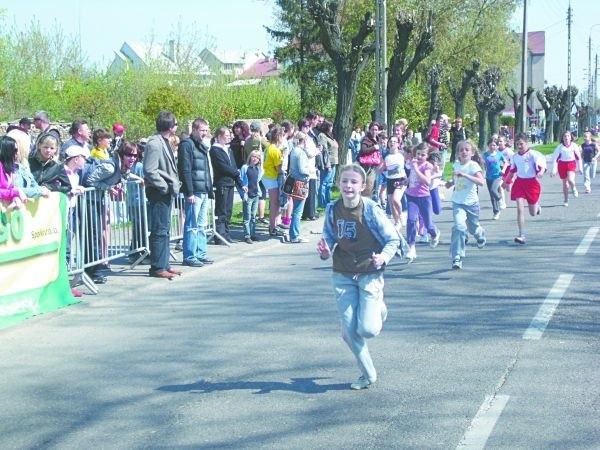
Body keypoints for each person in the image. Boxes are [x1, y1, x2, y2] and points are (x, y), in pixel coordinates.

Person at [317, 164, 399, 390]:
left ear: (363, 186)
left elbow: (393, 240)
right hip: (342, 274)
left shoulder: (371, 209)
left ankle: (380, 307)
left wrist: (383, 257)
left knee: (368, 330)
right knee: (348, 332)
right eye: (344, 181)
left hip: (369, 274)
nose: (348, 186)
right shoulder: (332, 209)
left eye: (354, 182)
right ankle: (367, 374)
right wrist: (324, 251)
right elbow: (329, 240)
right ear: (338, 184)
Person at [143, 110, 182, 279]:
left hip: (165, 192)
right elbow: (150, 170)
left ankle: (164, 264)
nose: (177, 126)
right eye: (175, 123)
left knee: (165, 229)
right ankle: (158, 267)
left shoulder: (165, 142)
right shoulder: (154, 143)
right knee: (159, 230)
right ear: (169, 125)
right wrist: (164, 187)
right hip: (158, 192)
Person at [177, 118, 215, 265]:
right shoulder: (187, 145)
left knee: (201, 225)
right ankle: (189, 256)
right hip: (194, 191)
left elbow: (206, 170)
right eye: (202, 130)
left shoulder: (202, 145)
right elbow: (185, 170)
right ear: (193, 130)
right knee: (191, 225)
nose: (204, 133)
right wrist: (189, 192)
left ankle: (200, 253)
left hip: (203, 189)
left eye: (206, 130)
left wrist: (209, 189)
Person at [446, 139, 486, 270]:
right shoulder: (456, 165)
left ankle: (480, 233)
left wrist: (465, 175)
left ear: (472, 153)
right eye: (461, 150)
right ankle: (457, 257)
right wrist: (450, 183)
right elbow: (456, 181)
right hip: (458, 203)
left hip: (471, 204)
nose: (464, 152)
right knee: (459, 227)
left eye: (467, 150)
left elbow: (481, 182)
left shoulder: (473, 166)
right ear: (457, 153)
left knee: (473, 229)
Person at [501, 132, 546, 245]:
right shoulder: (515, 157)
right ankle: (521, 235)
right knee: (520, 208)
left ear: (526, 143)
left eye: (521, 144)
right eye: (517, 144)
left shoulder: (532, 154)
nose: (519, 146)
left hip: (532, 184)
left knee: (533, 213)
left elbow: (542, 165)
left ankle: (537, 207)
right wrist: (505, 182)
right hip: (519, 183)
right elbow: (512, 171)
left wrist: (540, 172)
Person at [404, 142, 440, 261]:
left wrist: (416, 169)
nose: (419, 157)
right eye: (418, 154)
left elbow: (427, 181)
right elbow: (411, 178)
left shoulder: (427, 166)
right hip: (411, 197)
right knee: (411, 220)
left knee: (428, 224)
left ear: (427, 156)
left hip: (424, 197)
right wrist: (404, 182)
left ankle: (434, 234)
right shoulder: (413, 163)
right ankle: (411, 247)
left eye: (422, 155)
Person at [210, 126, 246, 244]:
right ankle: (220, 235)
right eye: (226, 135)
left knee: (228, 210)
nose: (229, 137)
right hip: (222, 183)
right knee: (222, 210)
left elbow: (234, 166)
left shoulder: (228, 149)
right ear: (219, 137)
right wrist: (235, 172)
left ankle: (226, 232)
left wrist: (240, 183)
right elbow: (223, 167)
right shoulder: (215, 150)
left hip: (230, 183)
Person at [262, 124, 287, 237]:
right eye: (282, 135)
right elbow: (278, 168)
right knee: (275, 203)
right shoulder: (275, 150)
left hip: (268, 175)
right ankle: (272, 227)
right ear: (278, 136)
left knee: (275, 203)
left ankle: (275, 224)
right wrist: (282, 159)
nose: (283, 138)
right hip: (271, 177)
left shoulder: (269, 147)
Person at [288, 131, 311, 243]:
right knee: (298, 211)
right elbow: (302, 169)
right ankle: (295, 235)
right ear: (304, 140)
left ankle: (293, 233)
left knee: (296, 210)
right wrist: (310, 171)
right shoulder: (301, 153)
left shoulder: (293, 151)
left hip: (293, 181)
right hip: (301, 182)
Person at [551, 130, 582, 206]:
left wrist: (580, 168)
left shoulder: (574, 146)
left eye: (568, 136)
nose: (566, 138)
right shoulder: (560, 147)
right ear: (562, 138)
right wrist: (554, 170)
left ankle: (574, 188)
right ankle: (566, 199)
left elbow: (578, 158)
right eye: (565, 136)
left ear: (571, 137)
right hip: (562, 165)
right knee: (565, 184)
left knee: (571, 180)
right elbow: (555, 159)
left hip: (571, 163)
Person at [240, 150, 264, 244]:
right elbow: (241, 180)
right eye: (253, 156)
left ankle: (252, 233)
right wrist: (243, 194)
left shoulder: (258, 169)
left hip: (255, 195)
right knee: (247, 216)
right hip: (248, 195)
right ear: (250, 157)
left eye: (257, 158)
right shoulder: (245, 168)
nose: (255, 159)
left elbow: (257, 180)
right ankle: (247, 235)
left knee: (254, 216)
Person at [383, 135, 407, 230]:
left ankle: (401, 215)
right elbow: (382, 167)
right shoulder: (386, 155)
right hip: (390, 180)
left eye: (394, 141)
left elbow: (408, 163)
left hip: (400, 179)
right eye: (390, 141)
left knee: (396, 200)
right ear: (388, 143)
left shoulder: (402, 154)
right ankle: (397, 222)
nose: (392, 143)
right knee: (391, 203)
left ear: (398, 144)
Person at [0, 136, 28, 209]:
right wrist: (16, 192)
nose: (18, 153)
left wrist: (14, 197)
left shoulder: (10, 167)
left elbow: (9, 190)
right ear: (7, 151)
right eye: (15, 150)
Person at [317, 119, 339, 209]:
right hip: (328, 163)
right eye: (331, 126)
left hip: (334, 162)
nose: (332, 128)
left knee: (329, 183)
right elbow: (324, 151)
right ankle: (322, 203)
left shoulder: (331, 136)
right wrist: (327, 164)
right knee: (324, 183)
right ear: (327, 127)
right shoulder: (322, 136)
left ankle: (328, 201)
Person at [482, 138, 506, 220]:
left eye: (494, 145)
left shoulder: (499, 154)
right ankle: (496, 212)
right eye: (491, 145)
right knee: (492, 196)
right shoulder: (485, 155)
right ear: (488, 146)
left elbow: (506, 162)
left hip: (497, 176)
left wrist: (503, 170)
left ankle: (500, 200)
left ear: (496, 146)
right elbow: (482, 164)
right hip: (489, 177)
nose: (492, 147)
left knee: (493, 190)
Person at [358, 121, 382, 198]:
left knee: (376, 186)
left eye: (376, 129)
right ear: (369, 130)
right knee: (368, 185)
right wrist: (374, 148)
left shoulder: (378, 139)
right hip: (367, 166)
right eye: (372, 129)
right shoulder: (366, 139)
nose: (374, 131)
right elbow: (363, 150)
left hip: (376, 165)